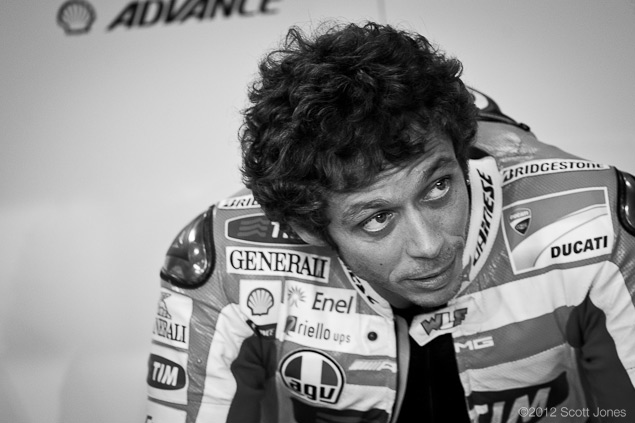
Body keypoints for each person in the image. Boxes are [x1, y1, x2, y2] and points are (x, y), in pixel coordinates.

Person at [144, 22, 635, 423]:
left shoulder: (596, 219)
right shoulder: (227, 259)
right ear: (311, 230)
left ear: (461, 156)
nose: (430, 244)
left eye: (437, 187)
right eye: (377, 219)